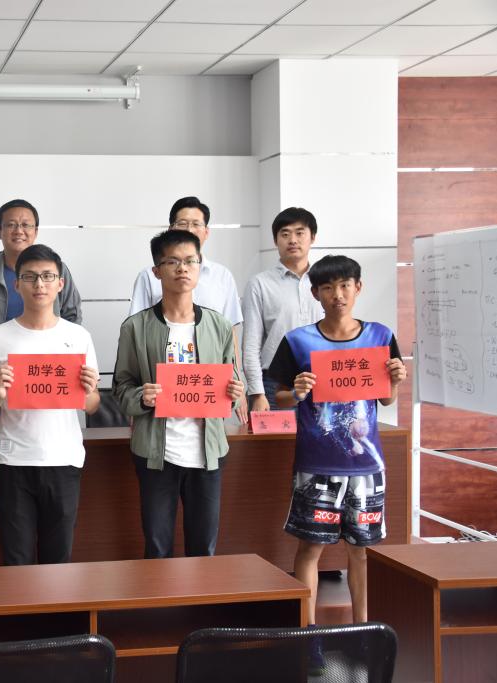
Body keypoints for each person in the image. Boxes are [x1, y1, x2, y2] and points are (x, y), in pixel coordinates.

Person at [267, 255, 406, 660]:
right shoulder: (298, 341)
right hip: (317, 464)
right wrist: (297, 391)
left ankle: (362, 632)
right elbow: (279, 397)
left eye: (345, 285)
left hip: (366, 466)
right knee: (310, 549)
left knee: (360, 551)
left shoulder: (380, 336)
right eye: (327, 287)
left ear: (358, 287)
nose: (337, 294)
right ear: (315, 293)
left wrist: (396, 382)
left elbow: (385, 398)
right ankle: (308, 636)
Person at [113, 230, 244, 559]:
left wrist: (235, 391)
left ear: (199, 267)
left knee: (204, 547)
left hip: (207, 451)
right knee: (157, 547)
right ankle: (160, 596)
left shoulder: (219, 325)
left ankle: (201, 596)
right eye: (172, 261)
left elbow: (231, 381)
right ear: (156, 271)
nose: (182, 268)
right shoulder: (135, 327)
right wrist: (142, 397)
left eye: (190, 261)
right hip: (156, 452)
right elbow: (121, 386)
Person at [0, 244, 100, 565]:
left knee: (58, 561)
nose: (39, 284)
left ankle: (56, 603)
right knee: (16, 560)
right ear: (17, 284)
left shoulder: (78, 337)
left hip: (64, 460)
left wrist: (88, 392)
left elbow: (92, 405)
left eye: (47, 276)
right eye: (30, 277)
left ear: (60, 284)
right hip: (13, 462)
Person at [0, 199, 82, 430]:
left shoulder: (57, 270)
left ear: (36, 231)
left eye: (26, 225)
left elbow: (72, 317)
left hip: (45, 377)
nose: (19, 231)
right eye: (11, 225)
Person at [128, 196, 247, 423]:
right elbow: (135, 336)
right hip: (160, 394)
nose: (190, 230)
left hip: (208, 391)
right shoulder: (149, 276)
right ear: (171, 228)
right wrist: (137, 401)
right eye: (182, 223)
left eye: (196, 224)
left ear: (206, 232)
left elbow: (230, 333)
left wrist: (238, 383)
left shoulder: (222, 276)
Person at [241, 208, 325, 412]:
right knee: (276, 436)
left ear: (313, 237)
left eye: (300, 233)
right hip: (274, 384)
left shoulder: (326, 282)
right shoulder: (260, 284)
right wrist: (257, 393)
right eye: (285, 234)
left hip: (322, 380)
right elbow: (251, 345)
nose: (292, 240)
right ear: (275, 240)